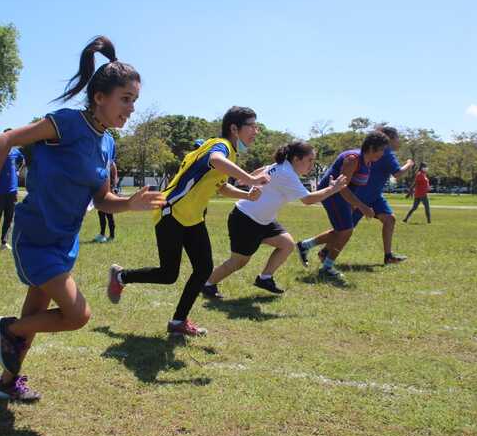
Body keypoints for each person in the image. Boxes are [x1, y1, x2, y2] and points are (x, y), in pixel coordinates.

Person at [0, 35, 163, 402]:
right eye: (126, 99)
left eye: (134, 101)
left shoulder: (107, 143)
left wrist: (129, 204)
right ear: (99, 97)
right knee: (77, 314)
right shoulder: (66, 123)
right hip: (37, 237)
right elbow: (6, 139)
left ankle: (6, 383)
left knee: (35, 317)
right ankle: (8, 328)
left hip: (64, 241)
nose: (131, 108)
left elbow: (102, 200)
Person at [107, 106, 270, 337]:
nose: (256, 130)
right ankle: (121, 276)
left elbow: (221, 186)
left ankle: (177, 322)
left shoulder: (230, 153)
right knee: (168, 274)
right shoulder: (220, 146)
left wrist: (246, 194)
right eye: (252, 125)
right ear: (234, 128)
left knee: (203, 269)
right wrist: (251, 178)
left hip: (192, 218)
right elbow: (215, 159)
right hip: (171, 212)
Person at [202, 141, 347, 299]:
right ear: (297, 159)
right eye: (309, 160)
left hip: (263, 220)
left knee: (287, 244)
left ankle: (265, 278)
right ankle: (207, 284)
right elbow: (308, 200)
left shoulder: (282, 166)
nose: (312, 165)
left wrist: (250, 178)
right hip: (246, 220)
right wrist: (333, 189)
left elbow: (264, 169)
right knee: (238, 262)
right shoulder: (287, 173)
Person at [295, 131, 389, 285]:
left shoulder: (368, 162)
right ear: (372, 148)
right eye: (381, 150)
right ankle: (327, 267)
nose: (383, 153)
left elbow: (353, 186)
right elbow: (342, 187)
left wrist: (353, 204)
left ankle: (304, 246)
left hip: (342, 196)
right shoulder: (353, 159)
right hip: (331, 193)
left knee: (341, 231)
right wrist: (362, 206)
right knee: (346, 230)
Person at [329, 126, 413, 265]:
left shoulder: (379, 151)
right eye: (398, 138)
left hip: (375, 196)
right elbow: (397, 173)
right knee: (345, 229)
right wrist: (409, 164)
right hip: (363, 196)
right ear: (390, 139)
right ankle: (319, 249)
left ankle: (388, 256)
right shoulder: (387, 153)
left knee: (389, 219)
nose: (400, 141)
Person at [0, 133, 25, 251]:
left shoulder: (16, 152)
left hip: (12, 192)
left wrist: (18, 171)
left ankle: (4, 242)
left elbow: (23, 160)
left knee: (9, 218)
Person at [94, 161, 118, 243]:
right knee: (101, 214)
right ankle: (102, 234)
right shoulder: (102, 162)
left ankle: (112, 235)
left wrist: (113, 188)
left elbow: (114, 177)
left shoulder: (111, 164)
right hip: (101, 192)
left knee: (109, 215)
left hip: (108, 192)